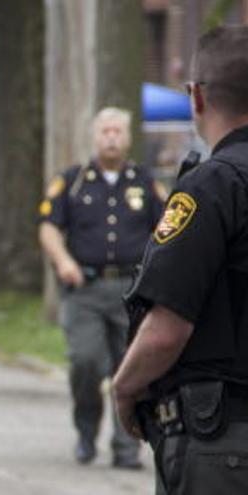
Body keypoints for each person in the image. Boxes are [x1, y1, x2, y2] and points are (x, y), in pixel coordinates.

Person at [113, 26, 248, 494]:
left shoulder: (213, 187)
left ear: (197, 98)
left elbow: (168, 328)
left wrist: (125, 387)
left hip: (225, 442)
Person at [38, 107, 167, 469]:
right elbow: (48, 226)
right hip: (86, 290)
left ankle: (126, 447)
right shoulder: (74, 180)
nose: (111, 137)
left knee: (129, 368)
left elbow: (168, 229)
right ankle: (85, 431)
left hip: (131, 290)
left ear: (127, 138)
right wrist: (63, 262)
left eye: (118, 131)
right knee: (85, 362)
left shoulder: (143, 181)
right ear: (94, 137)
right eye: (105, 131)